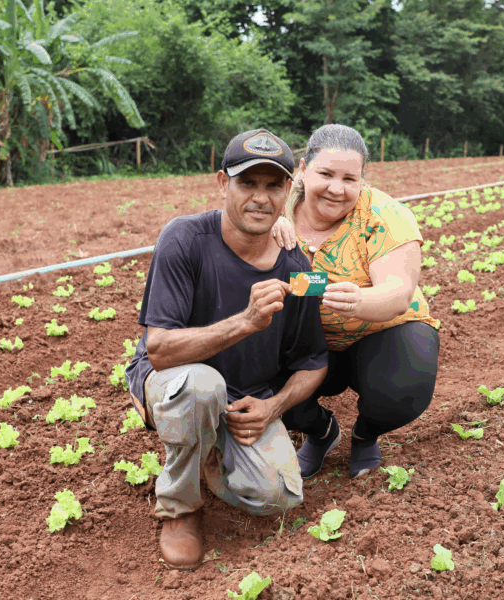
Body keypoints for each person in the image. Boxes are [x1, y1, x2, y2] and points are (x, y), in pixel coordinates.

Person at [124, 128, 328, 571]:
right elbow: (159, 349)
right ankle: (180, 506)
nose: (260, 198)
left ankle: (205, 446)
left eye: (273, 185)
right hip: (177, 378)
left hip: (243, 397)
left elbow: (314, 360)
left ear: (288, 192)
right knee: (201, 388)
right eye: (247, 183)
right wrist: (246, 322)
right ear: (222, 183)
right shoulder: (183, 238)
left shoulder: (299, 268)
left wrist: (274, 407)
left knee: (279, 496)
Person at [271, 124, 441, 480]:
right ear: (303, 169)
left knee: (403, 390)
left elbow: (398, 292)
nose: (337, 188)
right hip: (307, 340)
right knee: (256, 374)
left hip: (381, 331)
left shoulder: (384, 215)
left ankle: (366, 434)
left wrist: (359, 298)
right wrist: (266, 233)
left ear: (363, 180)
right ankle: (320, 431)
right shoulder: (273, 208)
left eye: (349, 179)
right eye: (326, 174)